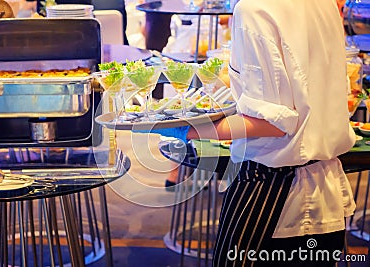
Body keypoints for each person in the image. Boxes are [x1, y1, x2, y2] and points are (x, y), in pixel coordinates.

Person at [144, 0, 356, 265]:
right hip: (326, 192)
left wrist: (185, 130)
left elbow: (273, 123)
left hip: (272, 195)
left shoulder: (254, 9)